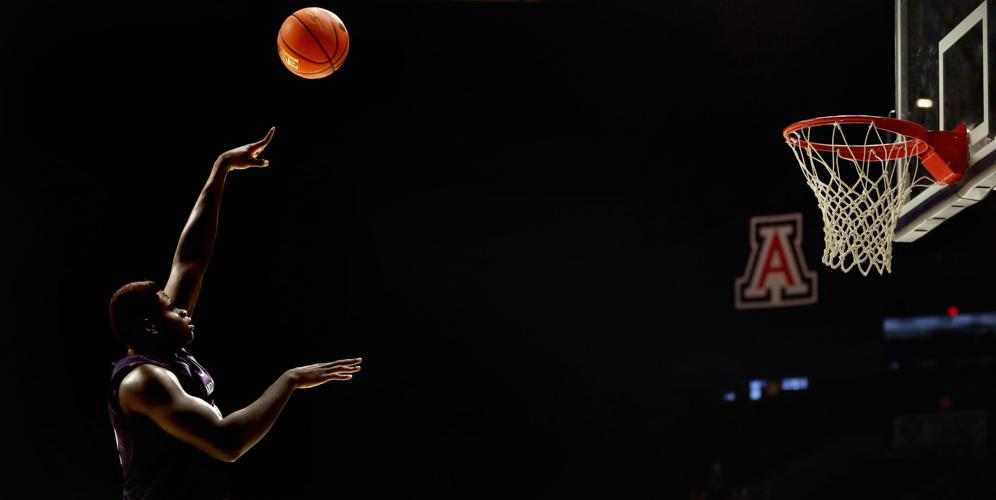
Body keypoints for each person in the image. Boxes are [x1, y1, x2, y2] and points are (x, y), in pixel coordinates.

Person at [106, 126, 362, 500]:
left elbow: (191, 259)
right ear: (151, 326)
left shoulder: (160, 345)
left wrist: (221, 168)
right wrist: (290, 379)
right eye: (170, 308)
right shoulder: (145, 381)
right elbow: (227, 442)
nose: (183, 308)